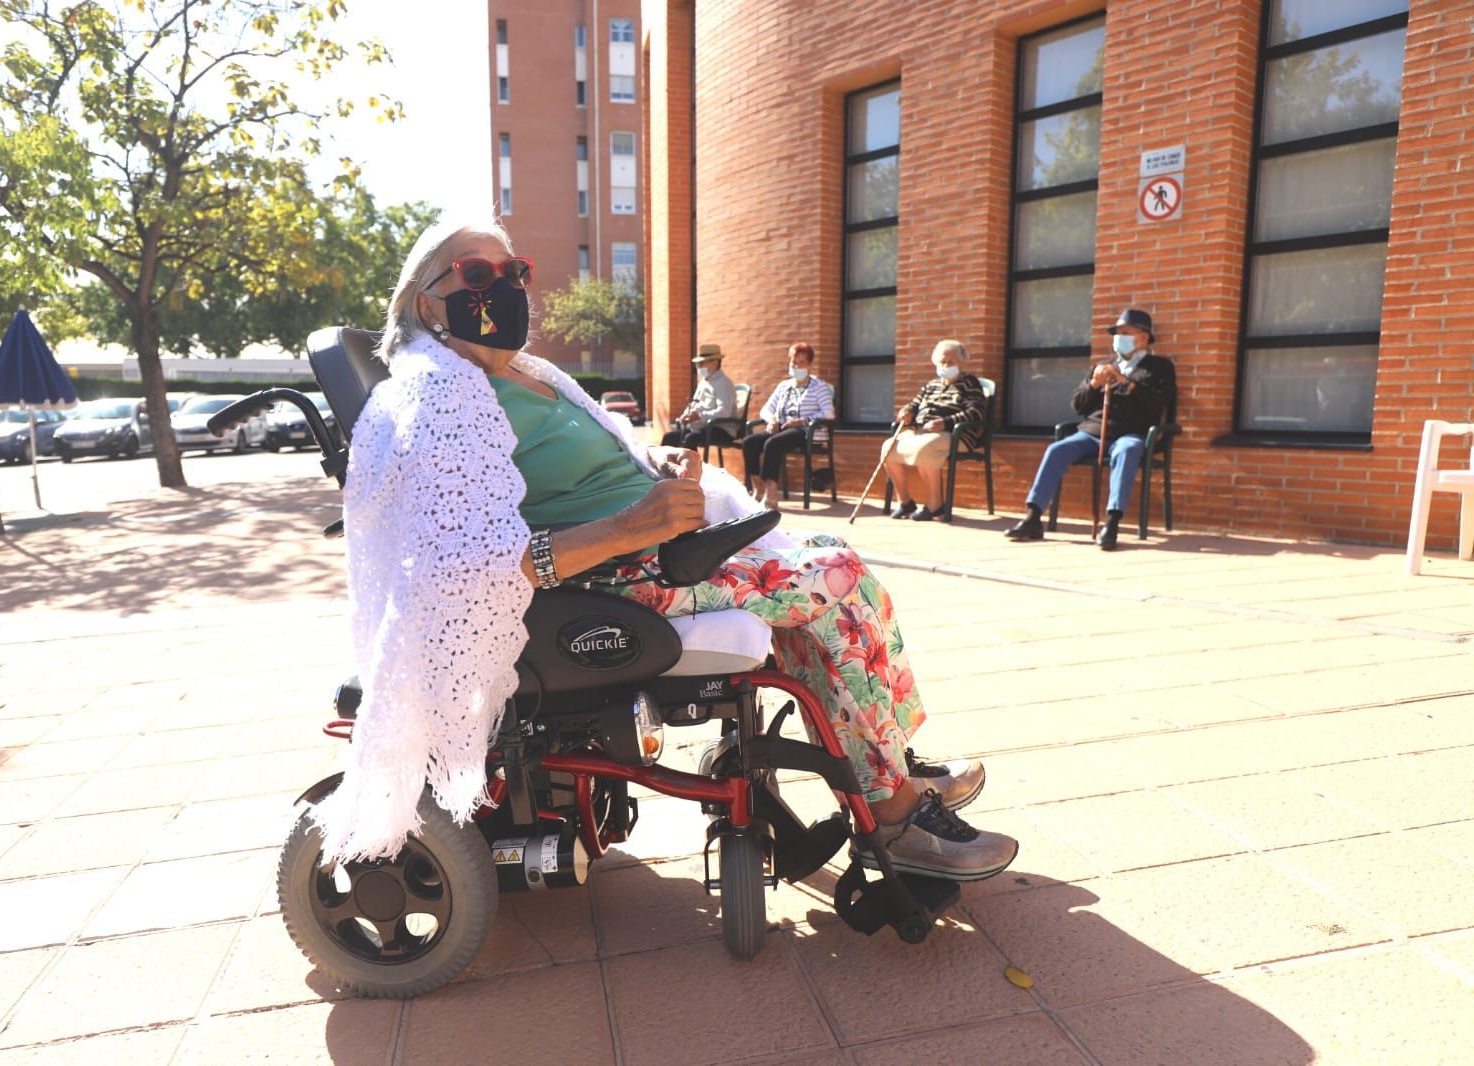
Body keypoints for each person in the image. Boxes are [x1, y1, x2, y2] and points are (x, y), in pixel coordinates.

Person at [312, 217, 1017, 885]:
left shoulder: (521, 372)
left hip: (650, 548)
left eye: (512, 270)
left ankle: (887, 768)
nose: (500, 286)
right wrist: (630, 527)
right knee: (835, 578)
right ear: (425, 301)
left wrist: (653, 467)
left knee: (832, 559)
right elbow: (464, 566)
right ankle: (893, 816)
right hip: (608, 578)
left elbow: (581, 465)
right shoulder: (438, 398)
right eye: (474, 273)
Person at [1004, 308, 1177, 551]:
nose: (1120, 338)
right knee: (1057, 450)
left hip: (1131, 433)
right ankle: (1033, 517)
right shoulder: (1102, 365)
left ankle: (1112, 523)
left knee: (1126, 451)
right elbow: (1077, 405)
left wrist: (1125, 381)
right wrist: (1094, 384)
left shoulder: (1159, 367)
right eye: (1118, 333)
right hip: (1093, 433)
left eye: (1127, 333)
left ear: (1144, 337)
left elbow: (1158, 401)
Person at [884, 339, 986, 521]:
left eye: (951, 362)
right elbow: (914, 405)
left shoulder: (970, 383)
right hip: (922, 431)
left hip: (955, 434)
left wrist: (945, 422)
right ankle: (905, 502)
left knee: (926, 448)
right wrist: (907, 411)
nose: (946, 366)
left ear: (961, 363)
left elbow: (976, 412)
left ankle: (935, 505)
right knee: (888, 447)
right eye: (942, 362)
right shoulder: (931, 385)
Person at [741, 342, 836, 509]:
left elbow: (829, 413)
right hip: (782, 429)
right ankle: (758, 487)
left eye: (801, 362)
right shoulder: (784, 386)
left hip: (804, 432)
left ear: (809, 364)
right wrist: (772, 420)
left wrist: (804, 420)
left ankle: (771, 491)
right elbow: (766, 410)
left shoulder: (819, 386)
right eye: (794, 362)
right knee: (749, 442)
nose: (797, 366)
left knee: (773, 443)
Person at [660, 343, 737, 449]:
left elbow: (724, 412)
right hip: (700, 427)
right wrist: (686, 415)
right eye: (697, 364)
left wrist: (700, 416)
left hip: (721, 429)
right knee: (669, 437)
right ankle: (664, 465)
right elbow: (694, 404)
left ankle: (691, 465)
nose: (698, 367)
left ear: (714, 363)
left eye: (701, 363)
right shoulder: (703, 382)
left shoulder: (724, 383)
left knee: (691, 438)